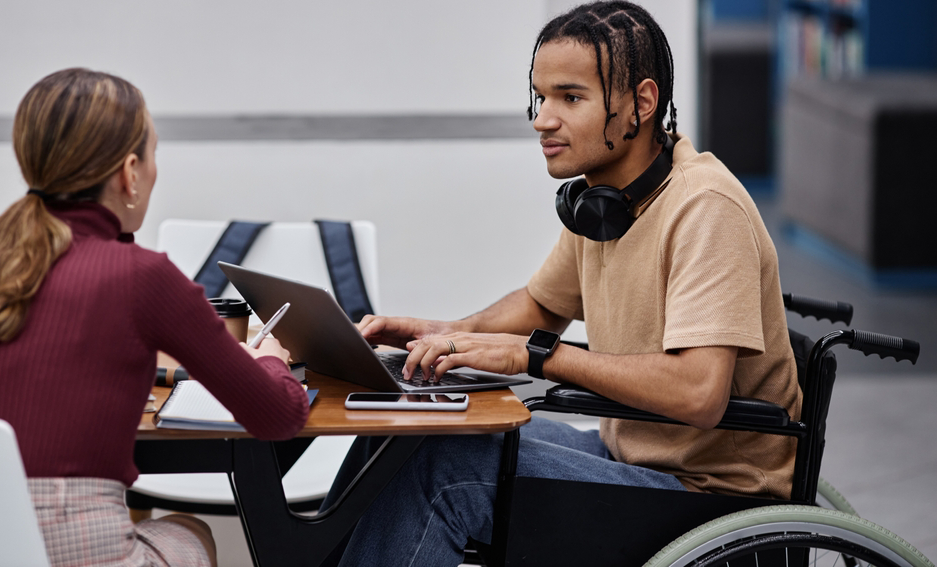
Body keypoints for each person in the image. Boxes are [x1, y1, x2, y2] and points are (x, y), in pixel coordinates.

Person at [330, 2, 803, 565]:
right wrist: (445, 333)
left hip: (709, 496)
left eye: (570, 98)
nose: (542, 119)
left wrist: (537, 356)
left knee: (445, 468)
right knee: (399, 439)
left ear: (641, 105)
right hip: (632, 453)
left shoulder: (704, 207)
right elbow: (540, 305)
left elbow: (699, 393)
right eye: (542, 96)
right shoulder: (604, 201)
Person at [0, 68, 310, 567]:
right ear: (130, 171)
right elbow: (279, 415)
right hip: (76, 550)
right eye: (153, 156)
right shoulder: (140, 276)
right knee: (191, 531)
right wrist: (269, 360)